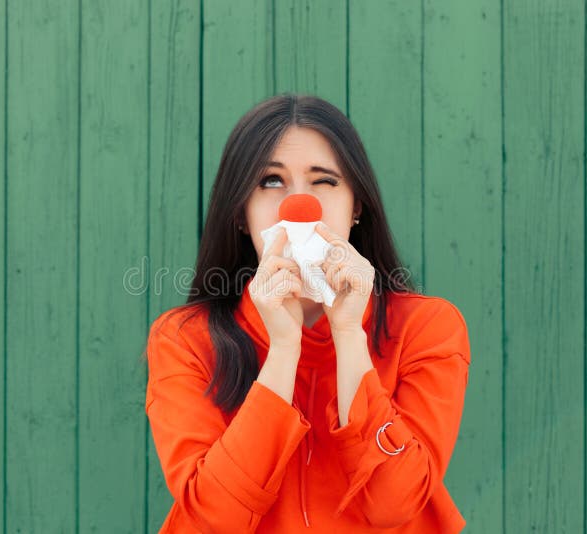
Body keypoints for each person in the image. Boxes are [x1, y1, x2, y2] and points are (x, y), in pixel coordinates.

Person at [143, 93, 471, 533]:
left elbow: (396, 505)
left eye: (325, 181)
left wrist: (349, 334)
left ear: (356, 206)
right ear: (240, 213)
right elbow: (216, 517)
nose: (299, 208)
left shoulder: (427, 329)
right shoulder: (184, 339)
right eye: (271, 181)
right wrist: (282, 350)